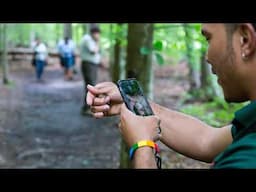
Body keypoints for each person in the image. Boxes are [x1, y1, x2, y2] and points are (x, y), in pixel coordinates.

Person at [86, 23, 256, 169]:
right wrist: (137, 103)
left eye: (208, 38)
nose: (207, 57)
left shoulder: (247, 158)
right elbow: (206, 141)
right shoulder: (250, 125)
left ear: (245, 40)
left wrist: (143, 145)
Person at [79, 26, 102, 115]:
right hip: (88, 65)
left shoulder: (90, 39)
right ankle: (87, 108)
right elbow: (93, 51)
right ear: (94, 33)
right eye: (98, 34)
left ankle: (87, 107)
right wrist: (97, 41)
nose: (98, 36)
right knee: (91, 86)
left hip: (91, 65)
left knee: (91, 85)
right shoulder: (88, 39)